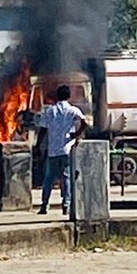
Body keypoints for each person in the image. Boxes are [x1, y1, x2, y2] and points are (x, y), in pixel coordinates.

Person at [37, 84, 87, 215]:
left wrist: (38, 145)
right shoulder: (72, 110)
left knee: (48, 179)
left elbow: (43, 129)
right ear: (68, 96)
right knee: (67, 178)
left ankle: (44, 206)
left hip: (53, 150)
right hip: (67, 149)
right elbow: (85, 122)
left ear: (56, 96)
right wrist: (76, 134)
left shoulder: (50, 111)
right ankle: (66, 205)